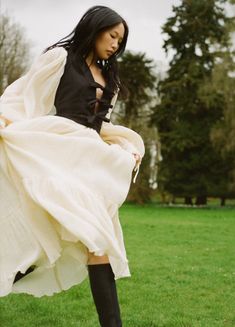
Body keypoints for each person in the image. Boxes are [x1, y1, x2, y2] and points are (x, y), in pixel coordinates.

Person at [0, 5, 145, 327]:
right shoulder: (61, 59)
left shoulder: (110, 78)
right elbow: (26, 96)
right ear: (95, 29)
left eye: (120, 40)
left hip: (90, 159)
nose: (115, 45)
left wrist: (124, 147)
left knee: (98, 240)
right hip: (60, 149)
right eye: (112, 36)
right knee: (50, 228)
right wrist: (5, 120)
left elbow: (100, 125)